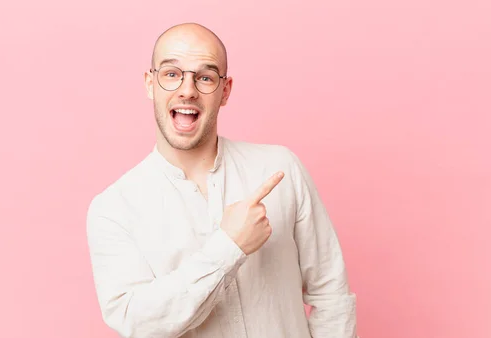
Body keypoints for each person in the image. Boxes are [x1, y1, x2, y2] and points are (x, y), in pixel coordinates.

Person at [86, 22, 358, 338]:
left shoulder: (280, 168)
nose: (187, 90)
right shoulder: (114, 209)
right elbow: (140, 324)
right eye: (172, 74)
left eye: (204, 77)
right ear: (150, 84)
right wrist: (229, 247)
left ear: (225, 91)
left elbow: (331, 293)